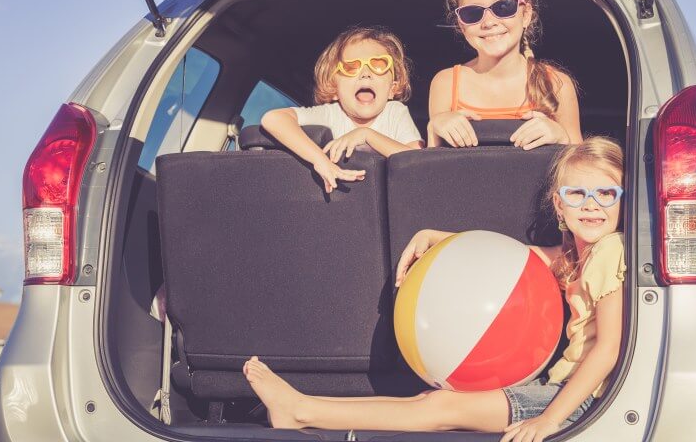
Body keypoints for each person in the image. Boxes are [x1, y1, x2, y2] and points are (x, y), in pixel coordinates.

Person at [243, 137, 626, 442]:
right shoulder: (575, 255)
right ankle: (301, 406)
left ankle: (301, 411)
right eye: (577, 194)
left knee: (441, 408)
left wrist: (549, 420)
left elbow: (608, 348)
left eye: (606, 194)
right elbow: (511, 255)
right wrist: (433, 236)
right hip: (562, 389)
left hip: (580, 402)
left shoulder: (610, 250)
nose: (591, 206)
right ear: (558, 206)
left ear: (624, 202)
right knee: (433, 401)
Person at [427, 0, 583, 150]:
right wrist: (434, 128)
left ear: (525, 15)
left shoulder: (557, 84)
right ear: (461, 25)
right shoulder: (446, 83)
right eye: (472, 13)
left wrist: (561, 137)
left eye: (503, 7)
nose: (488, 22)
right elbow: (434, 169)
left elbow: (579, 168)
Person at [261, 26, 423, 193]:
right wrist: (320, 160)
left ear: (392, 89)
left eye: (379, 65)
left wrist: (366, 134)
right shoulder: (331, 114)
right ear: (334, 89)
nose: (365, 73)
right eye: (351, 67)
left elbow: (418, 161)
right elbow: (273, 119)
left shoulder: (394, 112)